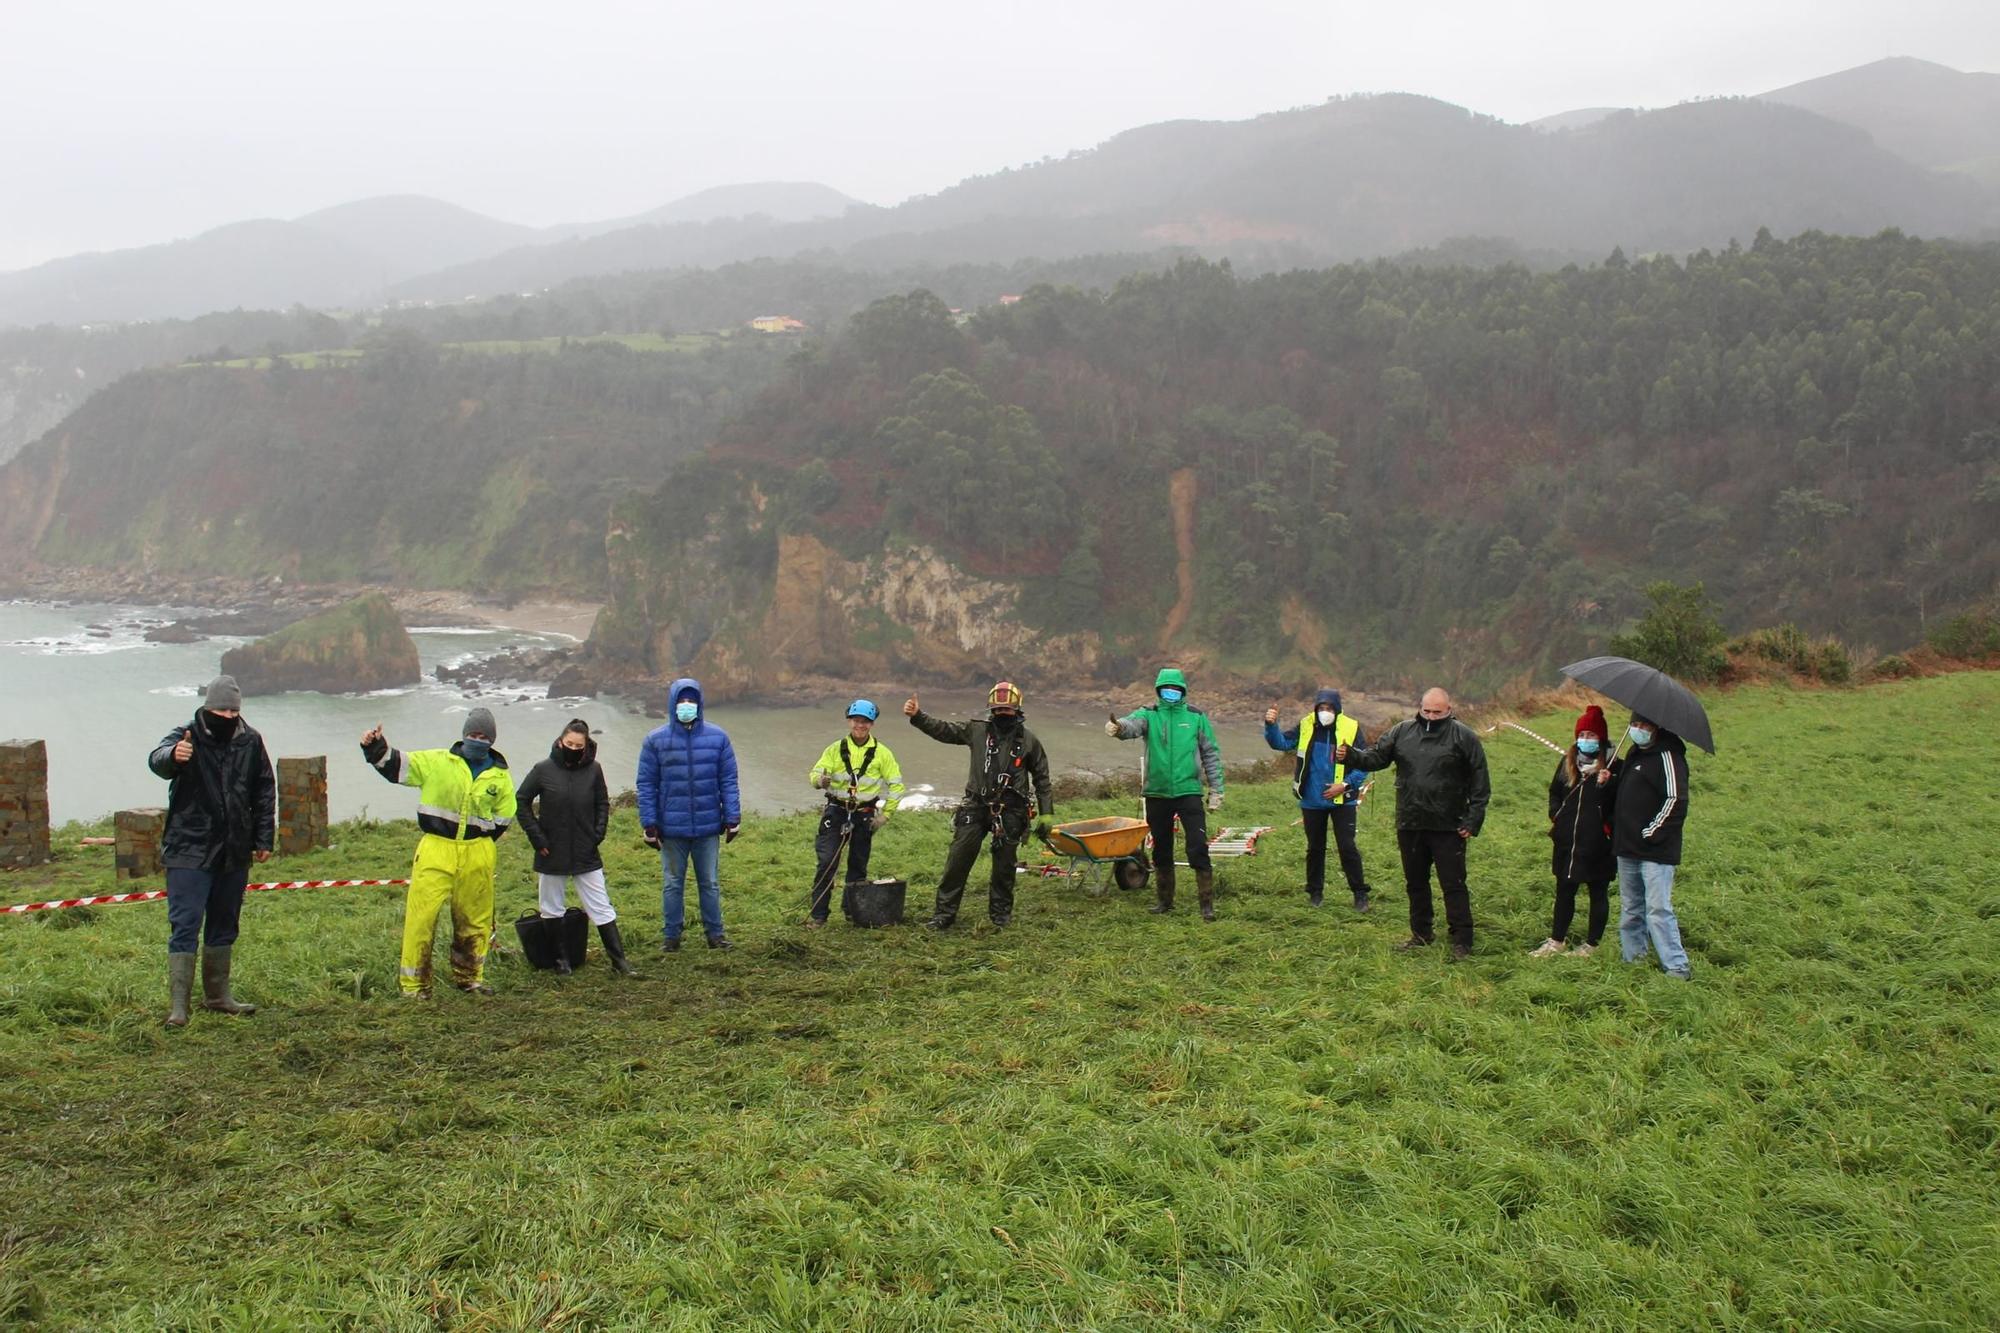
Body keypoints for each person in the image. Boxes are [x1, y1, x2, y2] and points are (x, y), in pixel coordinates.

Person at [146, 674, 275, 1027]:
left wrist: (263, 838)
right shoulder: (185, 735)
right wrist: (175, 755)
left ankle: (218, 996)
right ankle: (179, 1007)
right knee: (185, 923)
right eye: (221, 709)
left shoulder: (250, 740)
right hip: (188, 847)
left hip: (234, 850)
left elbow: (264, 789)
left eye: (233, 711)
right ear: (207, 708)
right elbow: (157, 760)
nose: (227, 716)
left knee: (224, 922)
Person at [361, 708, 516, 998]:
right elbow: (397, 766)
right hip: (436, 848)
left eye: (483, 736)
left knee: (475, 920)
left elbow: (505, 817)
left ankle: (470, 978)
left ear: (491, 740)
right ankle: (415, 985)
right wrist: (374, 746)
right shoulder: (436, 761)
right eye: (472, 734)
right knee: (422, 917)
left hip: (478, 852)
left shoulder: (500, 776)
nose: (477, 739)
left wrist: (478, 840)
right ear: (463, 735)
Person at [1337, 687, 1490, 959]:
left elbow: (1481, 782)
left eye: (1437, 712)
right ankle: (1421, 934)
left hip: (1449, 825)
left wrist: (1473, 819)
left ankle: (1462, 940)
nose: (1431, 716)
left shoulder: (1464, 736)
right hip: (1410, 822)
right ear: (1420, 708)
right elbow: (1376, 758)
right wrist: (1349, 755)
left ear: (1449, 710)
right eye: (1426, 710)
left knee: (1453, 884)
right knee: (1415, 882)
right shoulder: (1401, 732)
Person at [904, 681, 1053, 929]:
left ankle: (1000, 916)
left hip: (1011, 811)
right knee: (957, 861)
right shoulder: (977, 731)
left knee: (1005, 867)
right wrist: (918, 717)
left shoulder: (1029, 741)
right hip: (975, 806)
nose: (1002, 713)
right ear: (991, 710)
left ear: (1017, 710)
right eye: (998, 709)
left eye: (1007, 709)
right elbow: (944, 730)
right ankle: (944, 915)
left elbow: (1042, 779)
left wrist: (1047, 815)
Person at [514, 718, 636, 977]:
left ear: (585, 746)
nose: (572, 747)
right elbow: (522, 801)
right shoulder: (542, 769)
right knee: (551, 906)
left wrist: (597, 834)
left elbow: (602, 803)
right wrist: (537, 838)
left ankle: (620, 962)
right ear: (560, 741)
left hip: (585, 849)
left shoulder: (594, 770)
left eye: (577, 745)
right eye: (568, 743)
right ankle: (561, 962)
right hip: (551, 849)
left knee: (601, 905)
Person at [1106, 667, 1225, 920]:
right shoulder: (1150, 714)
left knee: (1197, 846)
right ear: (1159, 691)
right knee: (1161, 849)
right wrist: (1118, 728)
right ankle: (1164, 901)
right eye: (1166, 689)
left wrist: (1216, 789)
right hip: (1157, 793)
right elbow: (1132, 725)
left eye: (1175, 689)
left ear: (1182, 691)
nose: (1171, 693)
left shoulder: (1196, 717)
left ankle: (1206, 905)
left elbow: (1210, 753)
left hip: (1188, 791)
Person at [637, 677, 741, 952]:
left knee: (710, 883)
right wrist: (649, 823)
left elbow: (728, 779)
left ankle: (715, 935)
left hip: (708, 827)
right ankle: (671, 937)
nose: (686, 705)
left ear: (699, 704)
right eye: (681, 701)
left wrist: (733, 817)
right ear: (673, 704)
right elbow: (646, 784)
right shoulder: (655, 741)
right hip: (672, 828)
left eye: (691, 701)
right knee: (672, 884)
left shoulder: (718, 738)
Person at [1263, 687, 1375, 911]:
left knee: (1347, 846)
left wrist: (1344, 785)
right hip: (1312, 799)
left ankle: (1359, 893)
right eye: (1321, 708)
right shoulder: (1306, 724)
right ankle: (1315, 893)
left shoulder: (1351, 727)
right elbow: (1281, 743)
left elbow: (1365, 762)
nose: (1325, 712)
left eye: (1329, 708)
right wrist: (1271, 725)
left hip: (1343, 799)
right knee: (1315, 848)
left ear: (1338, 709)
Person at [804, 699, 906, 928]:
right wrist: (820, 780)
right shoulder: (834, 749)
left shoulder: (883, 754)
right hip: (837, 811)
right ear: (849, 721)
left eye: (865, 722)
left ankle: (852, 912)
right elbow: (815, 773)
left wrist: (885, 816)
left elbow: (897, 786)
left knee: (858, 866)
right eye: (856, 721)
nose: (860, 725)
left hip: (864, 815)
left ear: (872, 724)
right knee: (827, 862)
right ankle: (819, 916)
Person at [1532, 705, 1618, 958]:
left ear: (1600, 739)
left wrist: (1606, 785)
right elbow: (1554, 793)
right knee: (1564, 891)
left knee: (1597, 892)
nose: (1586, 740)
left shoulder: (1614, 767)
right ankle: (1557, 940)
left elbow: (1619, 806)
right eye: (1582, 735)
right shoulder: (1567, 762)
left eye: (1592, 736)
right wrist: (1557, 817)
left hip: (1598, 844)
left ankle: (1592, 944)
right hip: (1567, 842)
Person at [1613, 712, 1693, 980]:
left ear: (1656, 728)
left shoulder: (1669, 757)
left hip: (1655, 851)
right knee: (1630, 908)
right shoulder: (1634, 754)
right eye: (1634, 724)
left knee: (1658, 910)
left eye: (1643, 725)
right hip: (1626, 848)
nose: (1637, 729)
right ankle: (1633, 960)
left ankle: (1676, 966)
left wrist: (1651, 833)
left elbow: (1676, 800)